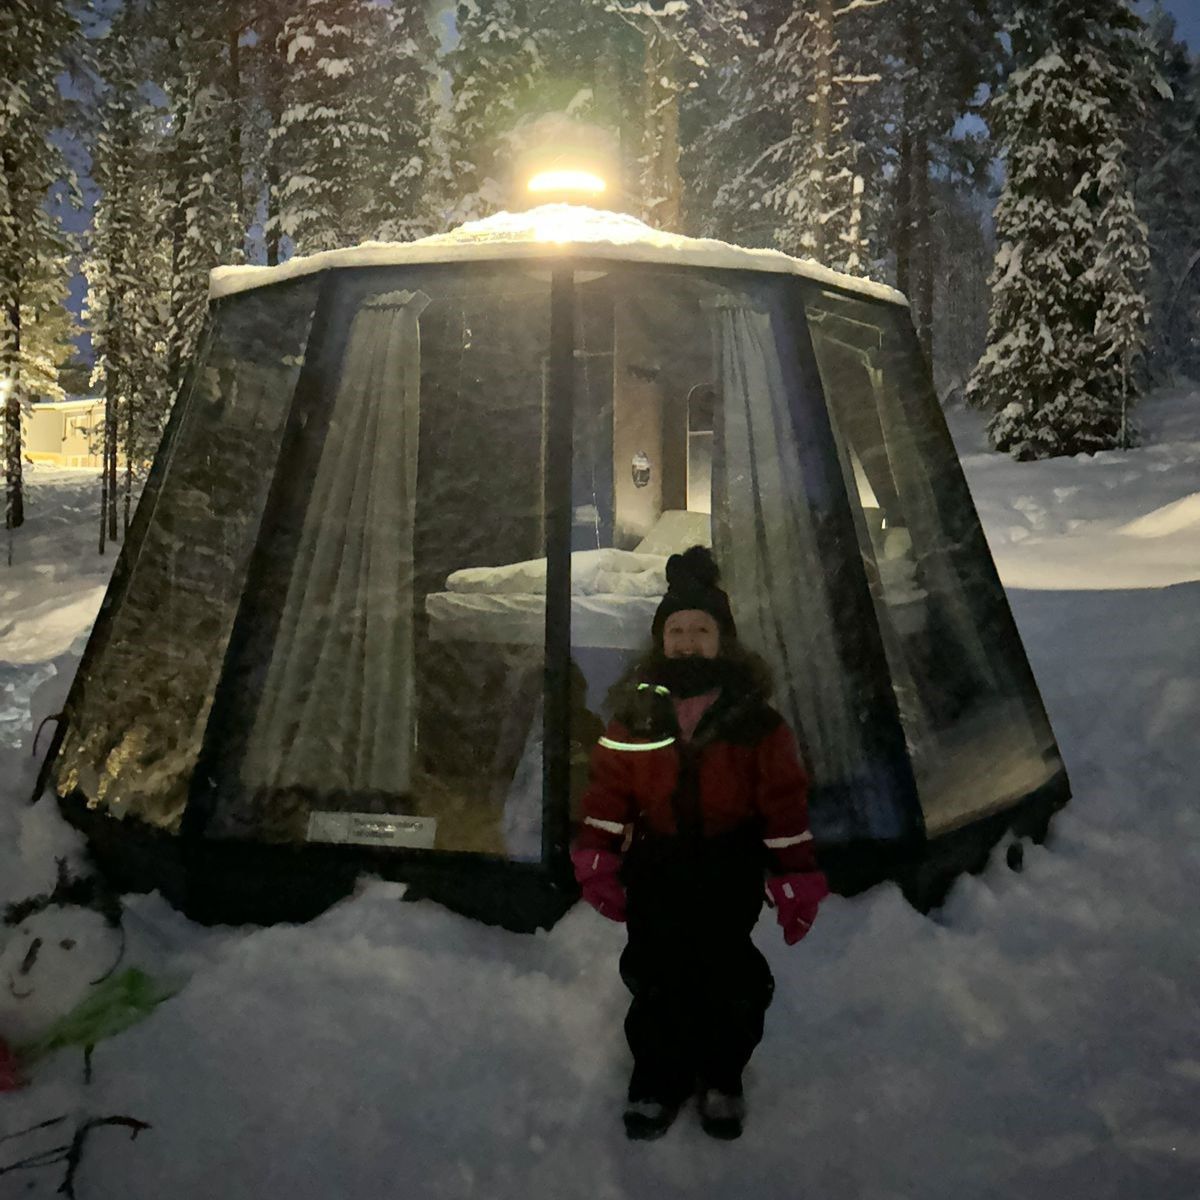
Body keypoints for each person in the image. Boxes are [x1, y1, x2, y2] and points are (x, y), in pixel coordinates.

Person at [571, 545, 829, 1141]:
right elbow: (610, 791)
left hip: (726, 864)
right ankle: (657, 1077)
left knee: (726, 972)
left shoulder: (753, 720)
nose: (688, 641)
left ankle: (721, 1073)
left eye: (701, 630)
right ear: (661, 640)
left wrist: (792, 872)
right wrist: (598, 857)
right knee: (657, 971)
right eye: (677, 630)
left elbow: (782, 802)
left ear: (724, 640)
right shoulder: (635, 715)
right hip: (657, 864)